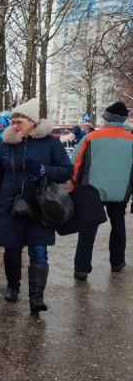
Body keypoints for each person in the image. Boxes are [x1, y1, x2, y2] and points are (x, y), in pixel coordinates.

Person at [0, 98, 73, 313]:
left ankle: (36, 297)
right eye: (13, 121)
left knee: (39, 250)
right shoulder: (7, 144)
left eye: (19, 121)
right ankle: (13, 286)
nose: (14, 125)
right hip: (10, 205)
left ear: (32, 121)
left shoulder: (51, 143)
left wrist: (45, 170)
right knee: (12, 249)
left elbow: (66, 170)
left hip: (40, 206)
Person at [71, 101, 133, 280]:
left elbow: (76, 163)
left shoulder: (91, 138)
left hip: (92, 191)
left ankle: (81, 268)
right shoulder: (131, 140)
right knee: (118, 225)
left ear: (106, 119)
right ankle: (117, 262)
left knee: (88, 228)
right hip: (121, 192)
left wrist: (74, 186)